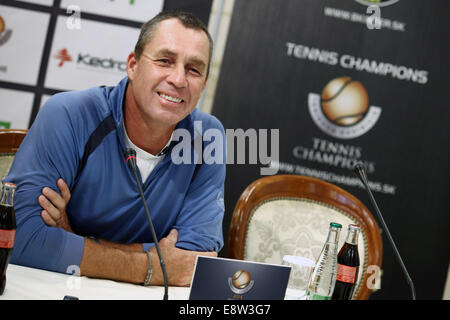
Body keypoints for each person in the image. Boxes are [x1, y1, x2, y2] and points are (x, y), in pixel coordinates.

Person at [4, 11, 226, 287]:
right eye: (165, 61)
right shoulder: (68, 115)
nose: (179, 79)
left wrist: (70, 238)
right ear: (133, 65)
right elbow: (21, 237)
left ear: (203, 84)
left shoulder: (208, 136)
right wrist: (152, 267)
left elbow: (194, 260)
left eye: (194, 69)